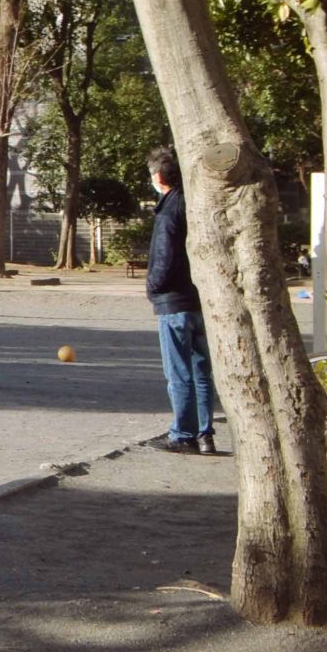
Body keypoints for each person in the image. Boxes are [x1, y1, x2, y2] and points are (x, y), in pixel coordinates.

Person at [145, 147, 217, 454]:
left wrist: (153, 288)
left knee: (178, 371)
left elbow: (164, 256)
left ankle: (182, 434)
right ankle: (205, 434)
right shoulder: (193, 204)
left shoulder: (168, 211)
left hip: (174, 301)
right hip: (200, 298)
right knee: (202, 370)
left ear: (158, 177)